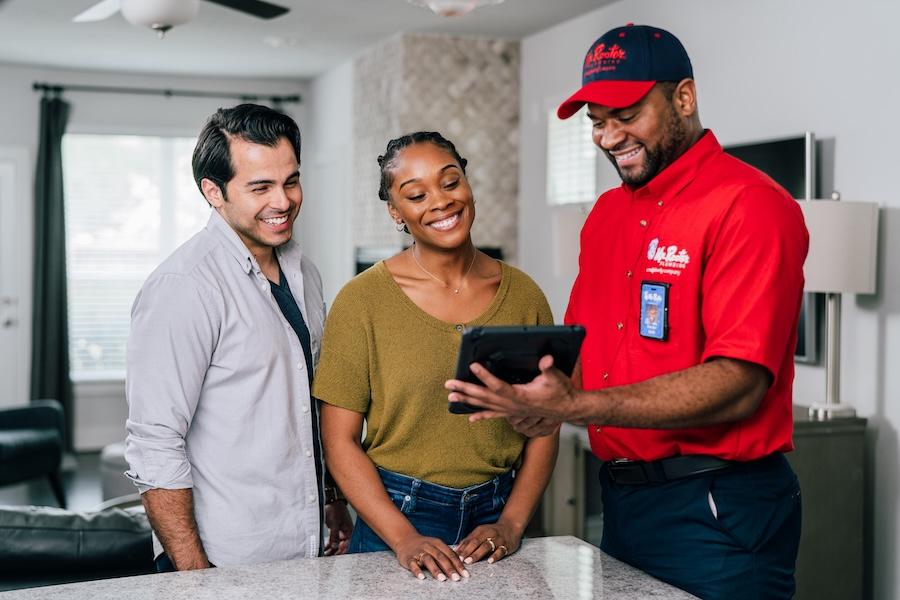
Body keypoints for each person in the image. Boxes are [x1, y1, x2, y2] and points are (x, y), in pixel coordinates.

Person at [445, 24, 808, 599]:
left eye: (626, 114)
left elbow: (741, 384)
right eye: (596, 120)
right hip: (623, 500)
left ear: (683, 98)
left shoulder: (752, 206)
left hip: (718, 507)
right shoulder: (608, 214)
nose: (609, 136)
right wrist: (540, 406)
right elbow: (594, 355)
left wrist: (578, 405)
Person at [313, 132, 558, 582]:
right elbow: (340, 441)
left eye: (450, 182)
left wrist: (512, 522)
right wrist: (404, 537)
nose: (440, 202)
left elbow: (545, 423)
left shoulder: (524, 294)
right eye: (416, 194)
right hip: (395, 517)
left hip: (498, 521)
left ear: (467, 184)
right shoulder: (362, 302)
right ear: (396, 213)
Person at [124, 103, 352, 571]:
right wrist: (193, 574)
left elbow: (309, 401)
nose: (283, 201)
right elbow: (154, 442)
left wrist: (332, 497)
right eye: (260, 187)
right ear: (213, 192)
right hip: (224, 555)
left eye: (291, 181)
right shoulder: (183, 287)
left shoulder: (303, 271)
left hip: (305, 546)